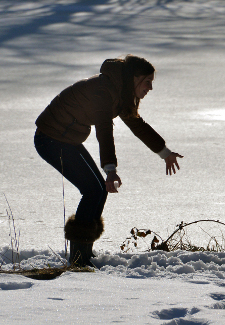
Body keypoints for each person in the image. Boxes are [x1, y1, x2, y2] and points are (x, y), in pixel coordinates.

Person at [34, 55, 182, 267]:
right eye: (147, 82)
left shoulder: (119, 91)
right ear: (135, 78)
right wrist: (110, 169)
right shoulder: (104, 90)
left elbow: (137, 125)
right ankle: (78, 259)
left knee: (98, 190)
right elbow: (104, 129)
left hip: (66, 138)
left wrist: (165, 152)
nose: (150, 88)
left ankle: (84, 251)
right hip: (51, 139)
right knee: (93, 190)